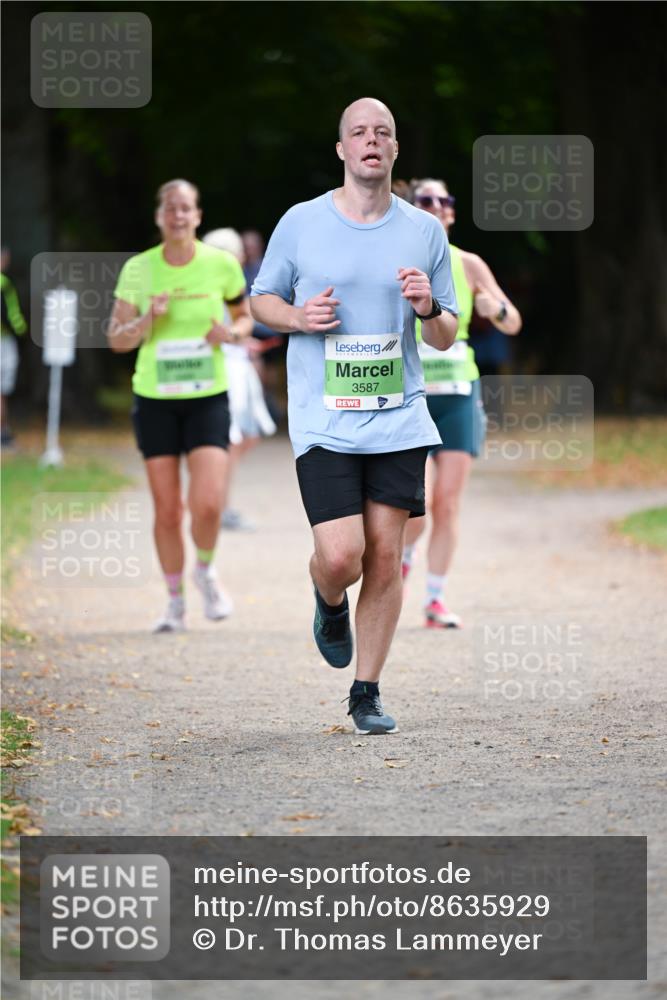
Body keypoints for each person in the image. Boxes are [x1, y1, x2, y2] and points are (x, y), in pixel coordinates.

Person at [250, 98, 459, 734]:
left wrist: (427, 308)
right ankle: (328, 596)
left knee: (386, 554)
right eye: (359, 133)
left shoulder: (424, 232)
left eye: (383, 133)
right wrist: (297, 317)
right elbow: (261, 299)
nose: (372, 141)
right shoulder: (302, 222)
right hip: (325, 417)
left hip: (397, 415)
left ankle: (366, 691)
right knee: (343, 556)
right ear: (341, 149)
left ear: (395, 152)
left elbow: (447, 334)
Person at [107, 179, 252, 632]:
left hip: (207, 395)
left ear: (198, 215)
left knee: (207, 504)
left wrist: (229, 334)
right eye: (170, 208)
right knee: (168, 510)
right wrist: (147, 319)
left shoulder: (222, 265)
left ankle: (204, 571)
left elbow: (246, 319)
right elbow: (115, 339)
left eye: (186, 208)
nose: (178, 216)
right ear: (158, 217)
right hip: (155, 398)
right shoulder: (139, 269)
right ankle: (174, 600)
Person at [401, 178, 522, 627]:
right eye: (427, 200)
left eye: (444, 200)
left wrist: (496, 310)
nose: (437, 206)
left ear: (451, 212)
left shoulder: (468, 263)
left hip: (457, 393)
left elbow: (513, 323)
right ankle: (404, 559)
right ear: (412, 209)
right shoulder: (397, 261)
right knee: (417, 504)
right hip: (409, 395)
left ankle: (434, 599)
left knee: (448, 503)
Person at [202, 227, 277, 531]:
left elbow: (236, 328)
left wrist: (242, 341)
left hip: (237, 364)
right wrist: (236, 339)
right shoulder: (213, 287)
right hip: (226, 370)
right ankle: (217, 507)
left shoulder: (230, 286)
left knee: (244, 438)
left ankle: (217, 504)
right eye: (238, 252)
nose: (243, 257)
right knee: (229, 443)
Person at [1, 247, 27, 448]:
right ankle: (2, 431)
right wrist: (22, 331)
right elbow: (11, 315)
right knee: (2, 390)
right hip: (4, 342)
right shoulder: (4, 283)